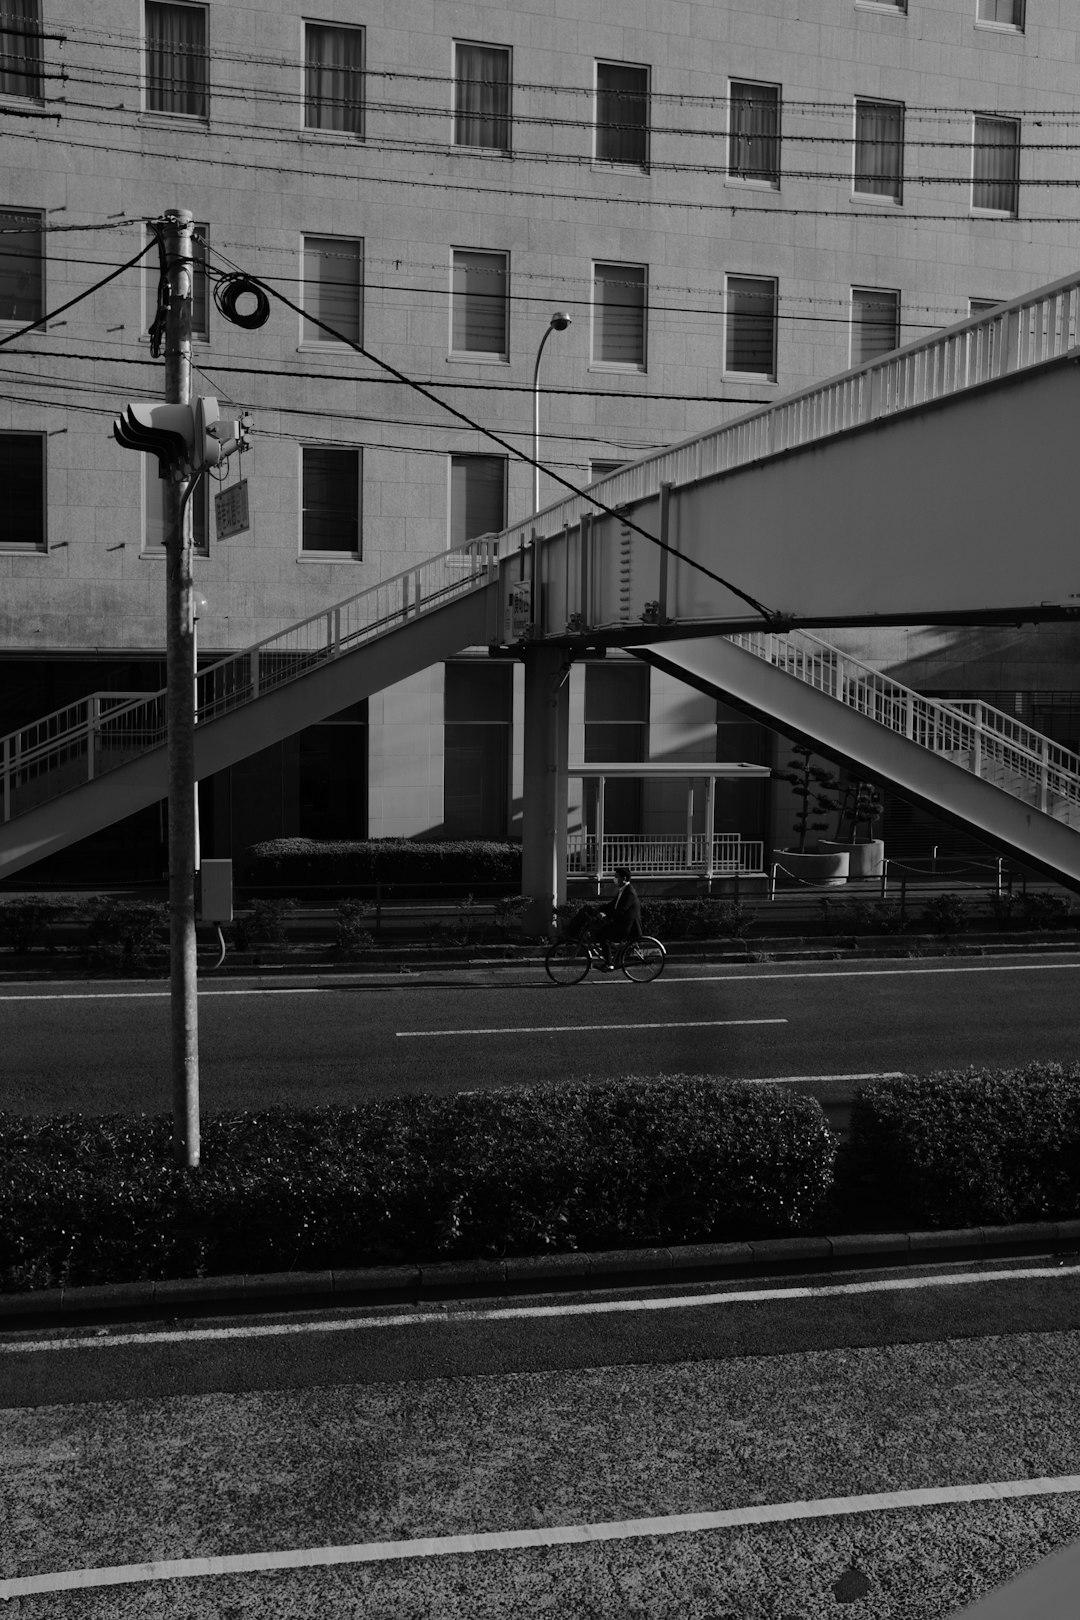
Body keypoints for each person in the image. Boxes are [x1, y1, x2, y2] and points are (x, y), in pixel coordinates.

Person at [594, 867, 642, 968]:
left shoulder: (629, 893)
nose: (614, 879)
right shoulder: (623, 890)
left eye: (616, 877)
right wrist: (598, 909)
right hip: (621, 924)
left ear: (624, 878)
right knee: (599, 934)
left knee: (603, 937)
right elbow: (613, 905)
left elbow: (621, 910)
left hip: (627, 927)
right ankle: (614, 952)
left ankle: (609, 964)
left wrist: (606, 915)